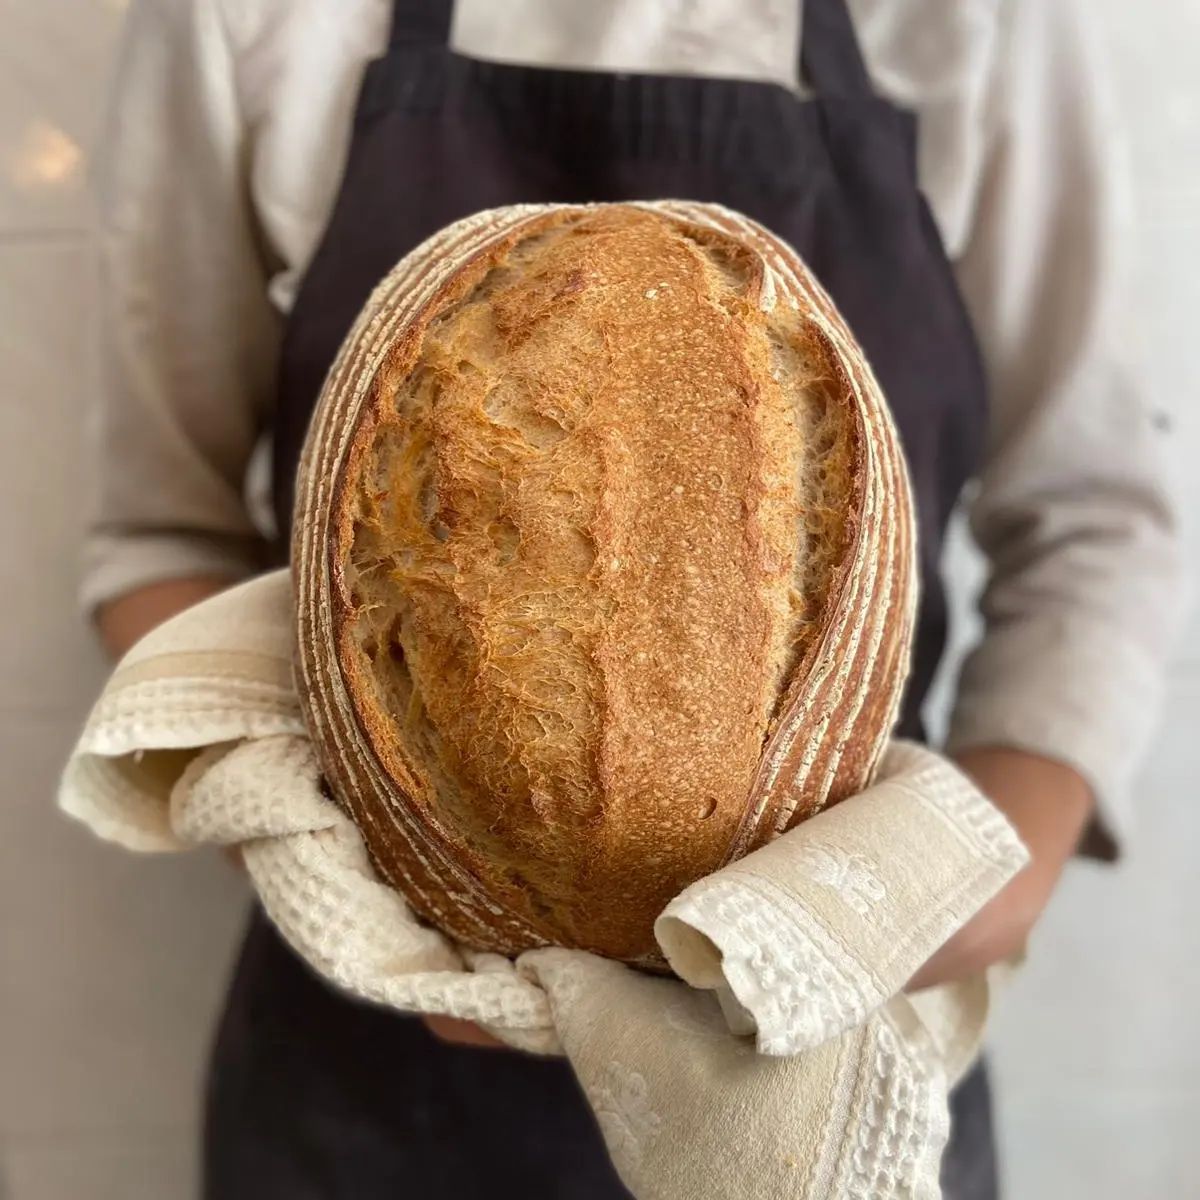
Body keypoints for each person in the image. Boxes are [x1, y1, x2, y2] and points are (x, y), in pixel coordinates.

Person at [87, 1, 1184, 1196]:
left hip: (837, 1050)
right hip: (374, 1089)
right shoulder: (246, 19)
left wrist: (960, 896)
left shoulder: (983, 23)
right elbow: (162, 530)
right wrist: (342, 901)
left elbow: (1094, 521)